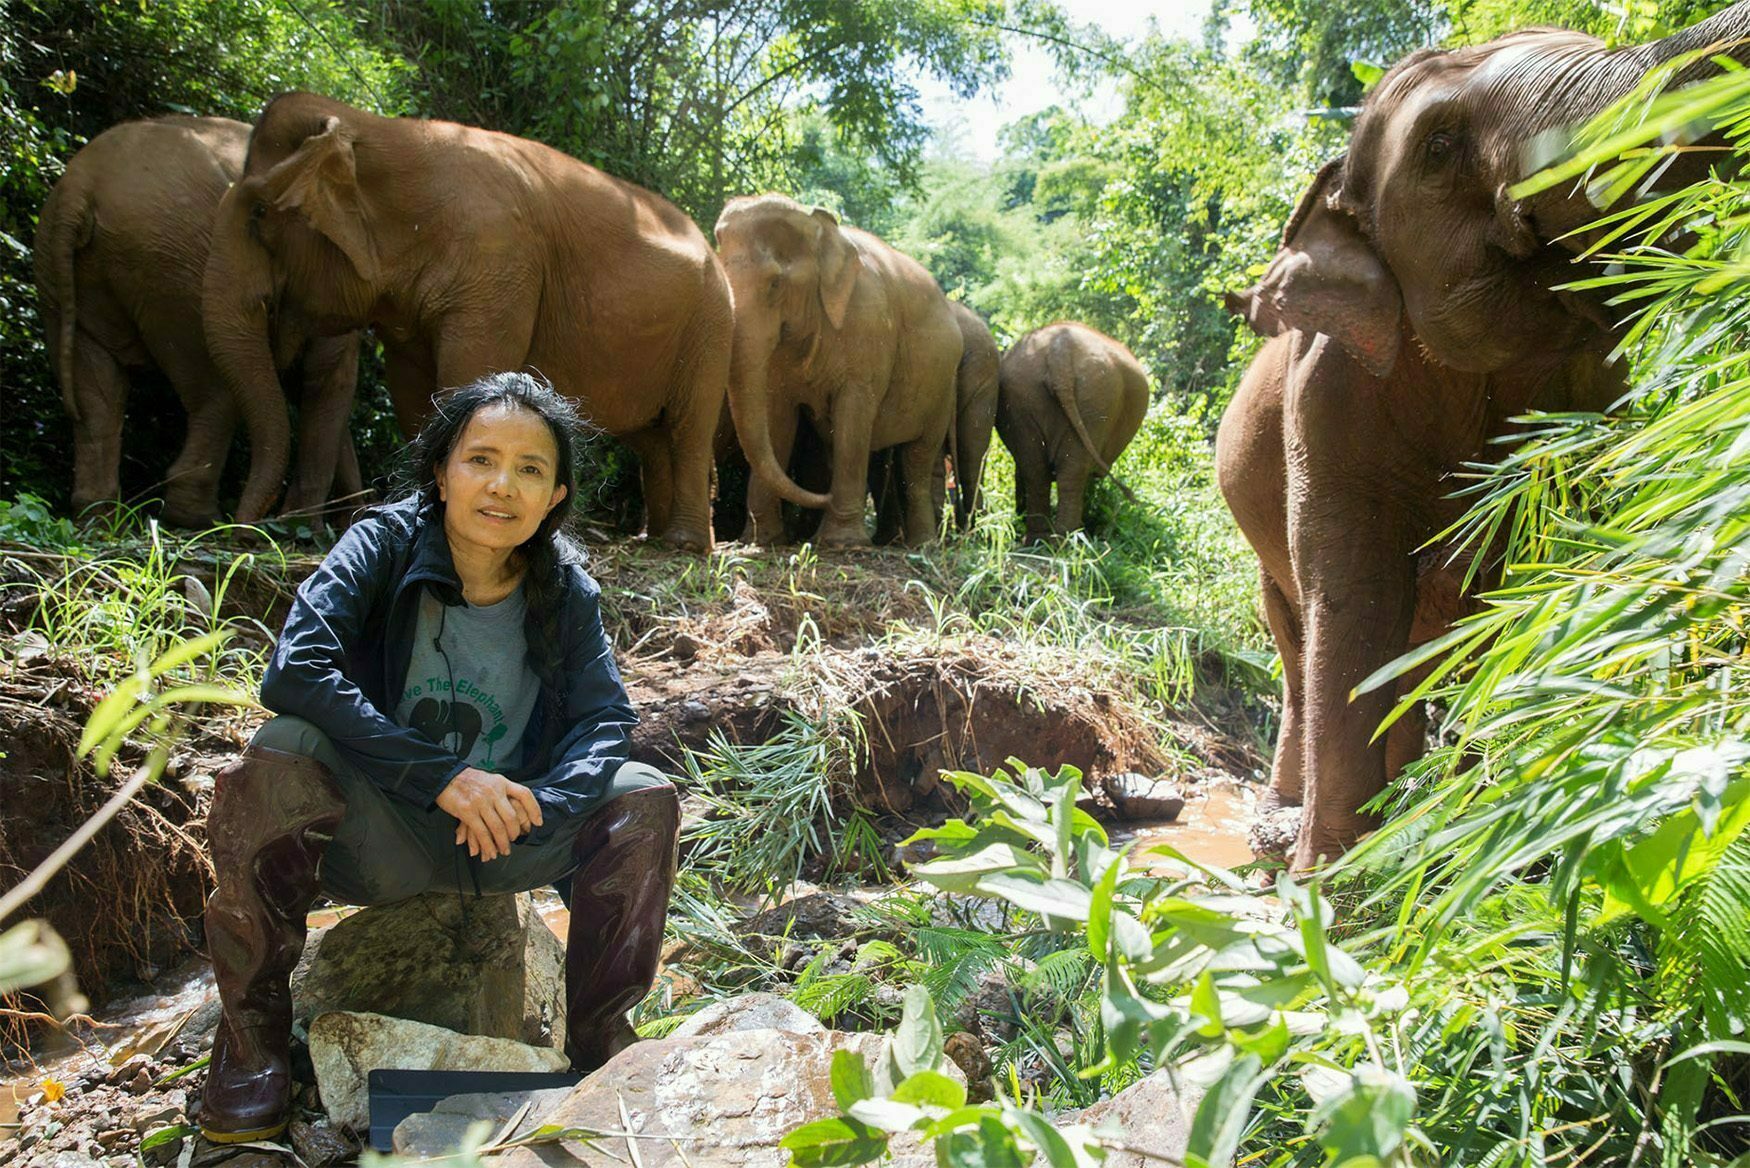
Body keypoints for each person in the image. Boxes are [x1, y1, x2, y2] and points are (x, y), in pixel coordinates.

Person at [198, 372, 678, 1143]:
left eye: (530, 469)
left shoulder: (564, 586)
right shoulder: (382, 545)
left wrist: (545, 803)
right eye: (480, 459)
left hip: (509, 836)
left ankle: (599, 1039)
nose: (502, 485)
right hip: (381, 835)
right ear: (440, 471)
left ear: (555, 495)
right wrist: (442, 776)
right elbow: (296, 669)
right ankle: (253, 1041)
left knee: (641, 792)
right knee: (284, 747)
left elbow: (606, 719)